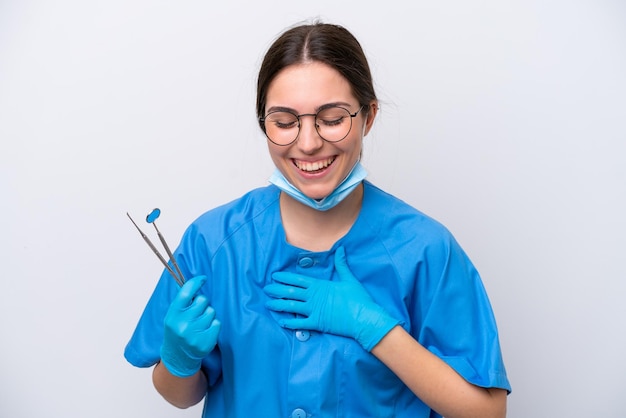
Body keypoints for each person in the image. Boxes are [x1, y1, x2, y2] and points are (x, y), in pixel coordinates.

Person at [124, 21, 511, 418]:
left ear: (368, 116)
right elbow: (180, 394)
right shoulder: (214, 242)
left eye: (331, 118)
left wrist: (375, 328)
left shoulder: (425, 250)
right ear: (264, 124)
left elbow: (486, 412)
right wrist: (179, 360)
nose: (308, 143)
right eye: (285, 122)